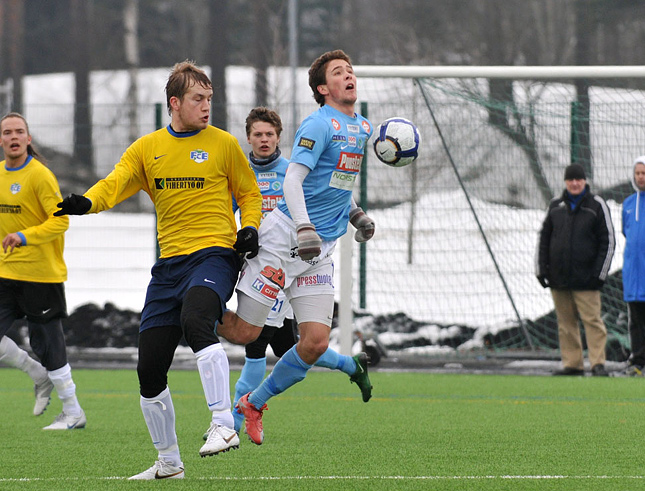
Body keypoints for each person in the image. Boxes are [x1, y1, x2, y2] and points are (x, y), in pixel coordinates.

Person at [53, 61, 263, 480]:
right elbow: (113, 185)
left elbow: (249, 193)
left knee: (197, 319)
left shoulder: (222, 144)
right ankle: (169, 462)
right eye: (198, 99)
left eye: (209, 99)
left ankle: (223, 423)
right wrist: (86, 203)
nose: (206, 107)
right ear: (175, 103)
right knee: (148, 369)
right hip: (168, 268)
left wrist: (250, 228)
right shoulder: (147, 148)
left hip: (214, 255)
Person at [216, 49, 375, 446]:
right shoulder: (317, 124)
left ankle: (253, 404)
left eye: (350, 70)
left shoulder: (362, 127)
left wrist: (355, 214)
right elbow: (294, 181)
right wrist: (304, 226)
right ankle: (190, 306)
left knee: (315, 342)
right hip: (284, 239)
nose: (349, 75)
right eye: (339, 72)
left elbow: (333, 182)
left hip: (320, 249)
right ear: (323, 88)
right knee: (244, 332)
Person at [0, 112, 85, 429]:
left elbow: (60, 220)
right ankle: (37, 374)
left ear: (28, 139)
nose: (13, 137)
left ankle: (74, 411)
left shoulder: (40, 176)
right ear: (1, 140)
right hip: (6, 273)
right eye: (7, 132)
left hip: (41, 275)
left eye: (19, 131)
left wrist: (24, 237)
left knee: (48, 345)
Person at [536, 163, 615, 377]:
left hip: (587, 279)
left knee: (593, 322)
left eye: (578, 179)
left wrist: (599, 275)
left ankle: (598, 363)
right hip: (559, 279)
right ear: (565, 182)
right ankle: (573, 364)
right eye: (570, 179)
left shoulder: (597, 205)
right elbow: (543, 239)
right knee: (565, 323)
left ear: (584, 181)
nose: (574, 183)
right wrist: (542, 270)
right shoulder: (555, 206)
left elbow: (608, 241)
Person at [621, 156, 645, 376]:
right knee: (635, 322)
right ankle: (637, 362)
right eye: (638, 173)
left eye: (644, 173)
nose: (641, 177)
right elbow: (627, 233)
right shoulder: (628, 204)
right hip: (633, 275)